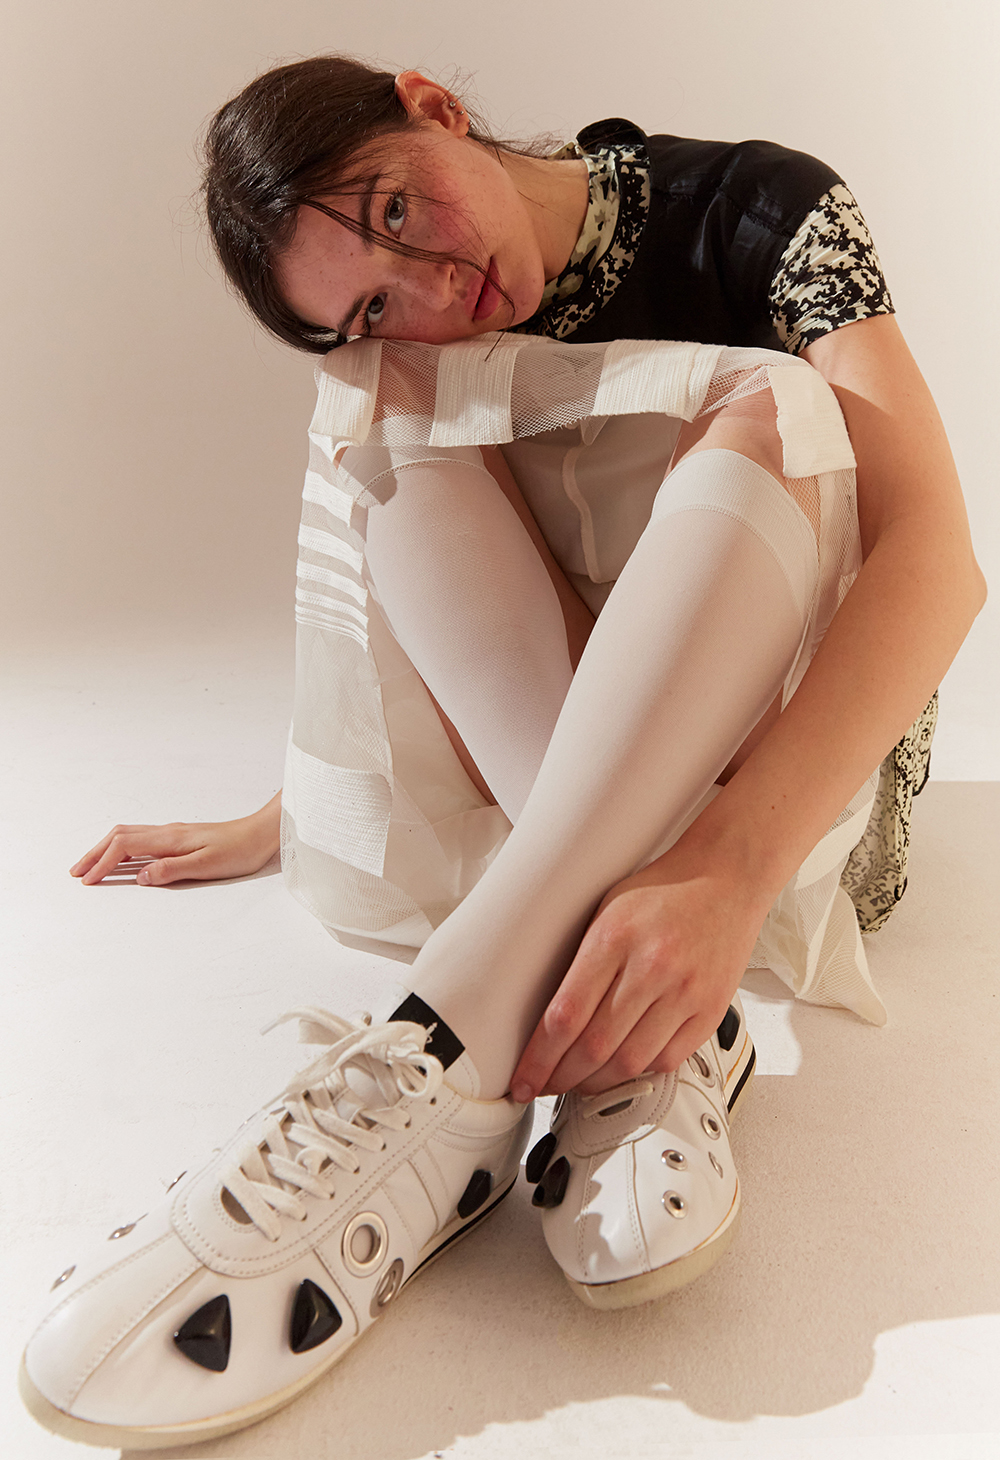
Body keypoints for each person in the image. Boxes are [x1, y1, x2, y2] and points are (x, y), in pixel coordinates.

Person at [20, 57, 984, 1449]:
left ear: (435, 106)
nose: (423, 289)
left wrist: (725, 869)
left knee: (779, 406)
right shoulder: (408, 339)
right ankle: (638, 1044)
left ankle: (443, 1047)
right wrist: (291, 808)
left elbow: (938, 560)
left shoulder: (763, 213)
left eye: (396, 213)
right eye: (367, 298)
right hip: (590, 791)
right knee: (384, 402)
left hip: (797, 786)